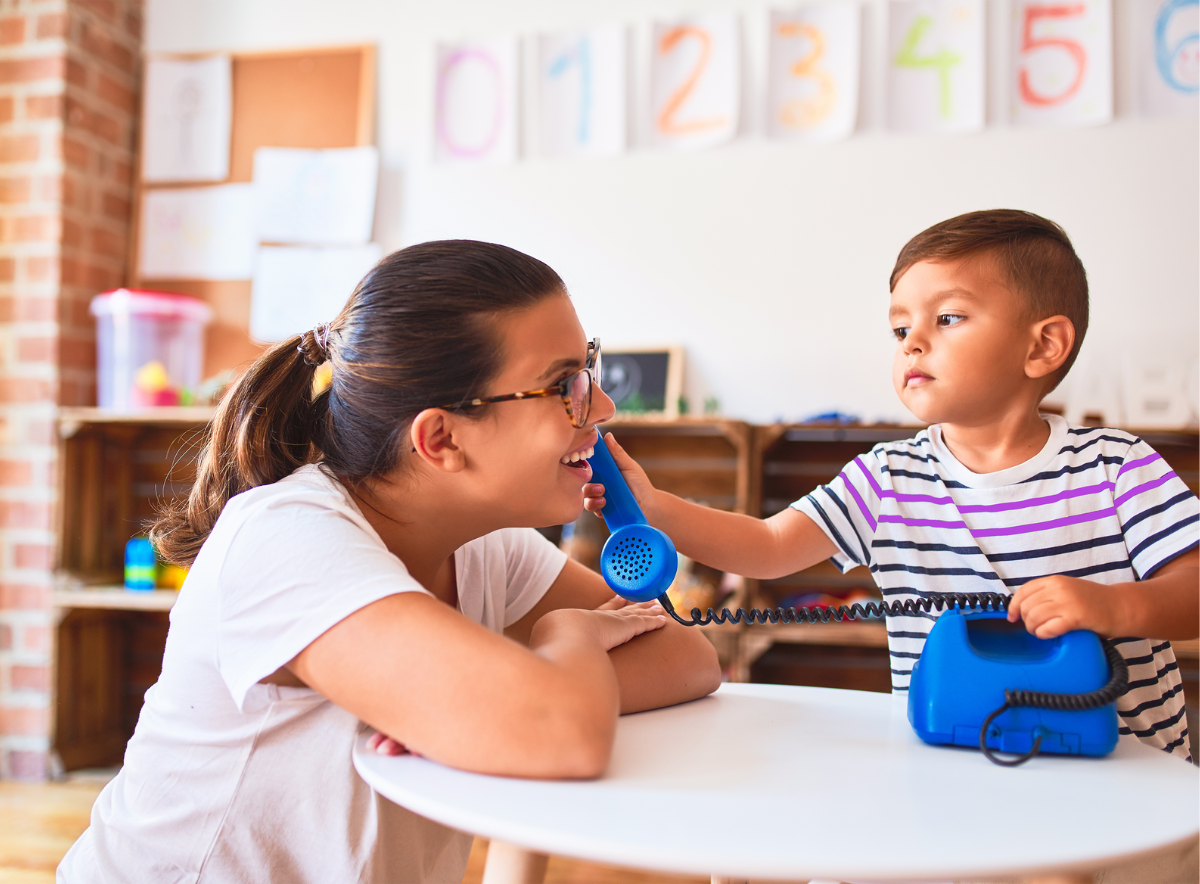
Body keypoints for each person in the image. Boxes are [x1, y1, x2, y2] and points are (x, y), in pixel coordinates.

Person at [58, 241, 721, 883]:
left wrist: (508, 701)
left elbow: (687, 660)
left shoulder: (481, 544)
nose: (602, 408)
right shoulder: (288, 539)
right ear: (441, 438)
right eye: (564, 386)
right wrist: (564, 640)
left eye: (589, 369)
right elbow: (563, 736)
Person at [587, 209, 1198, 762]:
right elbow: (769, 546)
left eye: (949, 318)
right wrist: (656, 507)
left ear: (1044, 345)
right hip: (953, 761)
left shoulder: (1118, 466)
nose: (914, 343)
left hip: (1123, 779)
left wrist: (1116, 608)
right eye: (900, 329)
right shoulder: (887, 476)